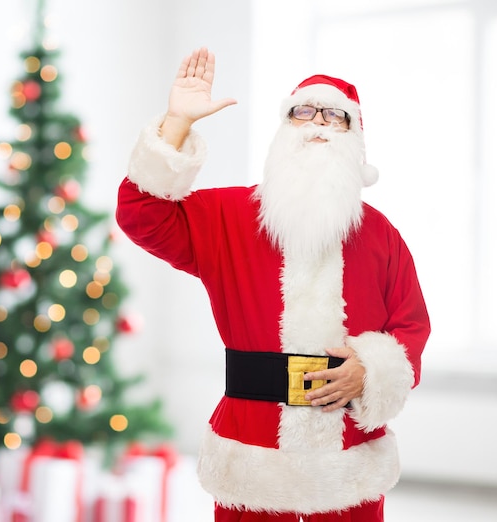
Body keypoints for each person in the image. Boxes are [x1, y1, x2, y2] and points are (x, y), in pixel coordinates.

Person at [116, 47, 430, 522]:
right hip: (251, 458)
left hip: (348, 463)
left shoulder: (381, 234)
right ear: (283, 131)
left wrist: (370, 370)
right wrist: (177, 123)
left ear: (356, 143)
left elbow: (411, 326)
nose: (318, 124)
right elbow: (141, 214)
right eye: (303, 111)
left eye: (335, 117)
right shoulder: (229, 217)